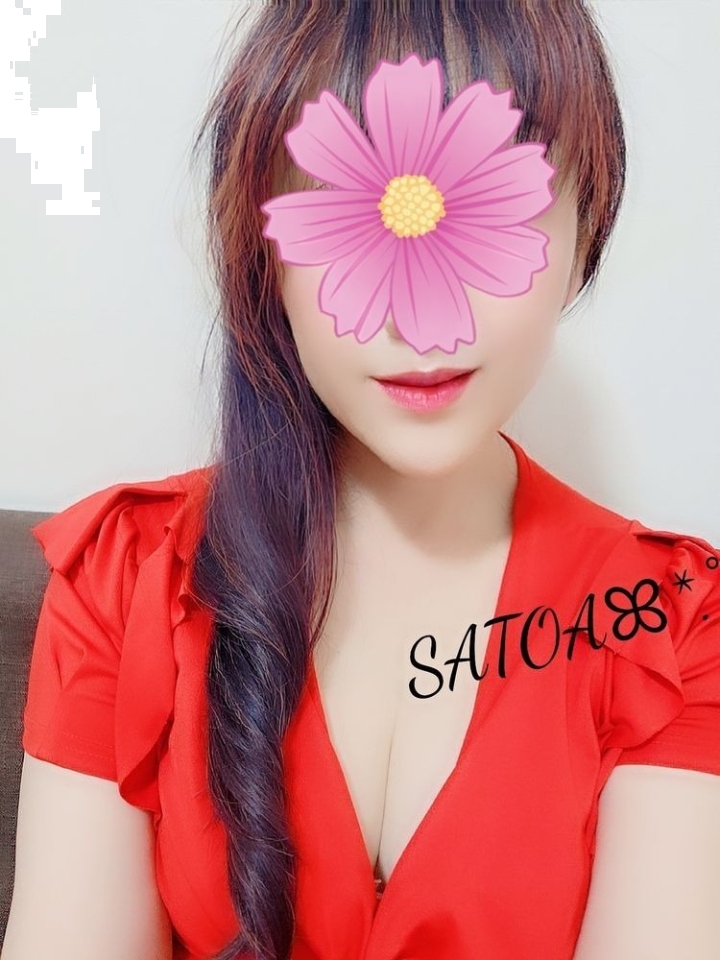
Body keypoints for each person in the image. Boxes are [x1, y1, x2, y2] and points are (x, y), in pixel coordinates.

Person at [4, 2, 720, 959]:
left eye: (492, 212)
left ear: (586, 224)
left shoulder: (671, 623)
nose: (422, 316)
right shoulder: (126, 578)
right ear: (266, 251)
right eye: (355, 216)